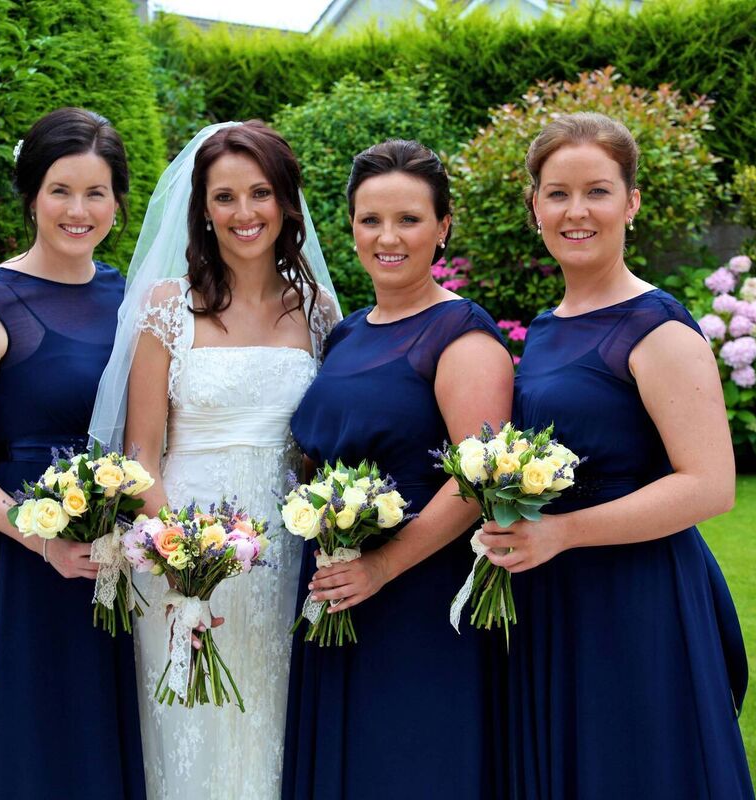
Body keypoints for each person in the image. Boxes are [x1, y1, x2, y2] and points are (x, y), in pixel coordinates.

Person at [478, 111, 754, 798]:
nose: (577, 211)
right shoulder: (546, 329)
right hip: (553, 594)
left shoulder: (657, 328)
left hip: (636, 596)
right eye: (558, 193)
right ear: (535, 205)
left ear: (631, 202)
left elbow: (710, 485)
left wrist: (562, 532)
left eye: (597, 191)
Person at [89, 121, 340, 800]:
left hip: (284, 553)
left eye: (260, 193)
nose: (244, 213)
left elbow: (321, 448)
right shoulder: (167, 306)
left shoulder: (316, 309)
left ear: (287, 203)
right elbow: (141, 451)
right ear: (202, 206)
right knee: (190, 727)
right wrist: (180, 568)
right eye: (224, 196)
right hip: (184, 545)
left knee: (274, 721)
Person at [0, 108, 144, 800]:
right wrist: (37, 537)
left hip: (121, 560)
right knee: (34, 748)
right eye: (60, 190)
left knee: (110, 742)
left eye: (96, 193)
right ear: (30, 195)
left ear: (117, 202)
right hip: (26, 561)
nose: (78, 211)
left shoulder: (132, 300)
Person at [283, 139, 513, 799]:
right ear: (350, 226)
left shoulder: (462, 336)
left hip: (417, 593)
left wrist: (381, 566)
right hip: (335, 583)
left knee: (408, 765)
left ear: (443, 227)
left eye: (409, 219)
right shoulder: (348, 332)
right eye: (370, 220)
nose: (388, 237)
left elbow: (478, 482)